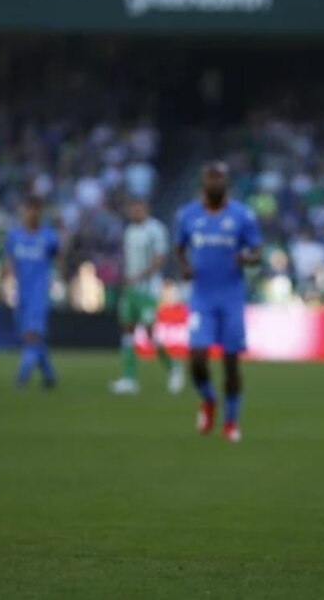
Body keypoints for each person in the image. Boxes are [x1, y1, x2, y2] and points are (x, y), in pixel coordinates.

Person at [175, 161, 262, 443]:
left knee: (231, 362)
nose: (214, 182)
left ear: (226, 182)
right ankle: (209, 398)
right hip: (201, 297)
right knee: (197, 359)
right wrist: (185, 266)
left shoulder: (242, 215)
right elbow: (179, 246)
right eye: (210, 177)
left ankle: (231, 421)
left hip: (231, 297)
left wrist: (247, 258)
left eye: (219, 177)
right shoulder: (187, 215)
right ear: (203, 182)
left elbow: (258, 250)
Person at [111, 198, 184, 395]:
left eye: (138, 208)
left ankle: (174, 368)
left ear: (146, 209)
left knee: (150, 333)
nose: (135, 212)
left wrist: (138, 276)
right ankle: (129, 378)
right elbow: (127, 259)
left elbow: (159, 259)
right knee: (127, 330)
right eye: (132, 208)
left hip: (148, 290)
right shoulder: (129, 231)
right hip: (130, 289)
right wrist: (125, 277)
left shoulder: (156, 230)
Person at [5, 195, 59, 390]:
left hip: (39, 292)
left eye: (34, 209)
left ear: (40, 212)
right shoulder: (14, 236)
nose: (30, 213)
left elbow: (58, 258)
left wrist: (55, 278)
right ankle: (49, 374)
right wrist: (9, 281)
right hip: (21, 292)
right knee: (28, 336)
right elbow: (10, 260)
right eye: (27, 209)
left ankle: (23, 375)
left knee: (32, 335)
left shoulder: (48, 236)